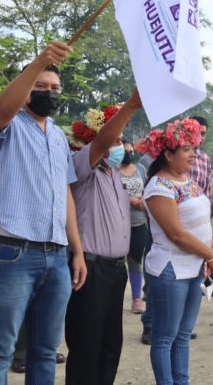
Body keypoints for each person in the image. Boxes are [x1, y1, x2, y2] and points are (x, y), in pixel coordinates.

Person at [0, 41, 87, 384]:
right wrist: (41, 60)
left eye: (55, 88)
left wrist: (77, 249)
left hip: (55, 257)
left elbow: (64, 193)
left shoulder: (57, 136)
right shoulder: (2, 122)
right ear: (25, 88)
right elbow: (5, 107)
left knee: (45, 351)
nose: (49, 92)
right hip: (11, 252)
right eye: (40, 86)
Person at [64, 93, 143, 384]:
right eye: (115, 136)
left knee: (110, 346)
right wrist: (131, 106)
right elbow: (100, 143)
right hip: (90, 269)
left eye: (122, 138)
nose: (119, 144)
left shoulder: (113, 173)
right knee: (86, 346)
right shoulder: (81, 165)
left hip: (115, 269)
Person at [137, 118, 213, 384]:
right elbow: (176, 234)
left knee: (183, 335)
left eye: (194, 148)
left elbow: (201, 220)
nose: (194, 153)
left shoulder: (186, 180)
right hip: (171, 269)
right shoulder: (159, 186)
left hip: (194, 267)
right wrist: (210, 254)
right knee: (165, 337)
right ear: (168, 155)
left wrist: (211, 247)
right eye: (187, 149)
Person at [118, 140, 150, 314]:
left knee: (136, 261)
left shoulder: (140, 169)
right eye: (125, 151)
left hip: (139, 222)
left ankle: (137, 298)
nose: (129, 154)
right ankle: (114, 296)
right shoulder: (113, 170)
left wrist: (142, 202)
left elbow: (149, 188)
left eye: (131, 151)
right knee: (117, 262)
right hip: (118, 223)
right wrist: (129, 199)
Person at [189, 115, 213, 212]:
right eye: (197, 133)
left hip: (200, 214)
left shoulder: (205, 159)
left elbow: (206, 190)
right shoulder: (176, 156)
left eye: (203, 134)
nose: (200, 137)